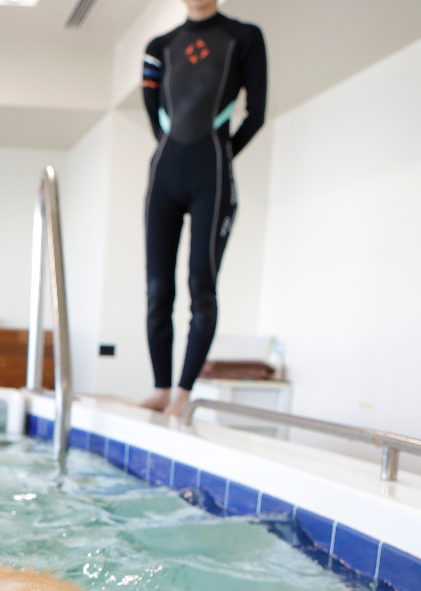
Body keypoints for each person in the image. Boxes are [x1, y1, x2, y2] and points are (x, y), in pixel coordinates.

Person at [138, 0, 267, 418]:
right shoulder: (160, 45)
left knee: (201, 286)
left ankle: (182, 392)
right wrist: (173, 147)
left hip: (211, 176)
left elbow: (256, 113)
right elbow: (152, 108)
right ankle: (159, 387)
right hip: (164, 176)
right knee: (158, 290)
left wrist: (221, 157)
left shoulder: (244, 37)